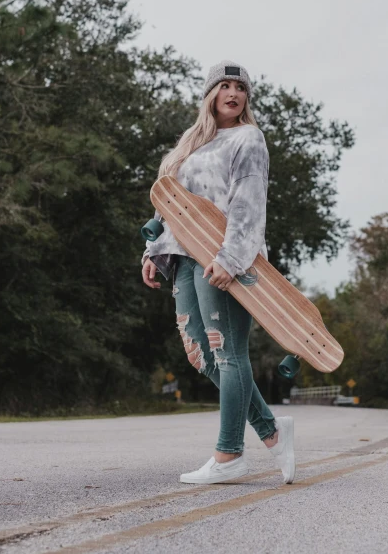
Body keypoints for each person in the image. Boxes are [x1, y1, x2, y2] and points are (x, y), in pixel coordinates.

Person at [142, 60, 295, 485]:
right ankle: (272, 431)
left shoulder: (250, 138)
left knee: (229, 354)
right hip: (185, 257)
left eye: (240, 87)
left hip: (225, 258)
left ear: (247, 98)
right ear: (210, 94)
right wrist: (152, 250)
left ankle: (229, 456)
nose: (233, 93)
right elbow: (170, 204)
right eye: (224, 86)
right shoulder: (191, 144)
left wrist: (232, 259)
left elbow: (249, 203)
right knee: (202, 355)